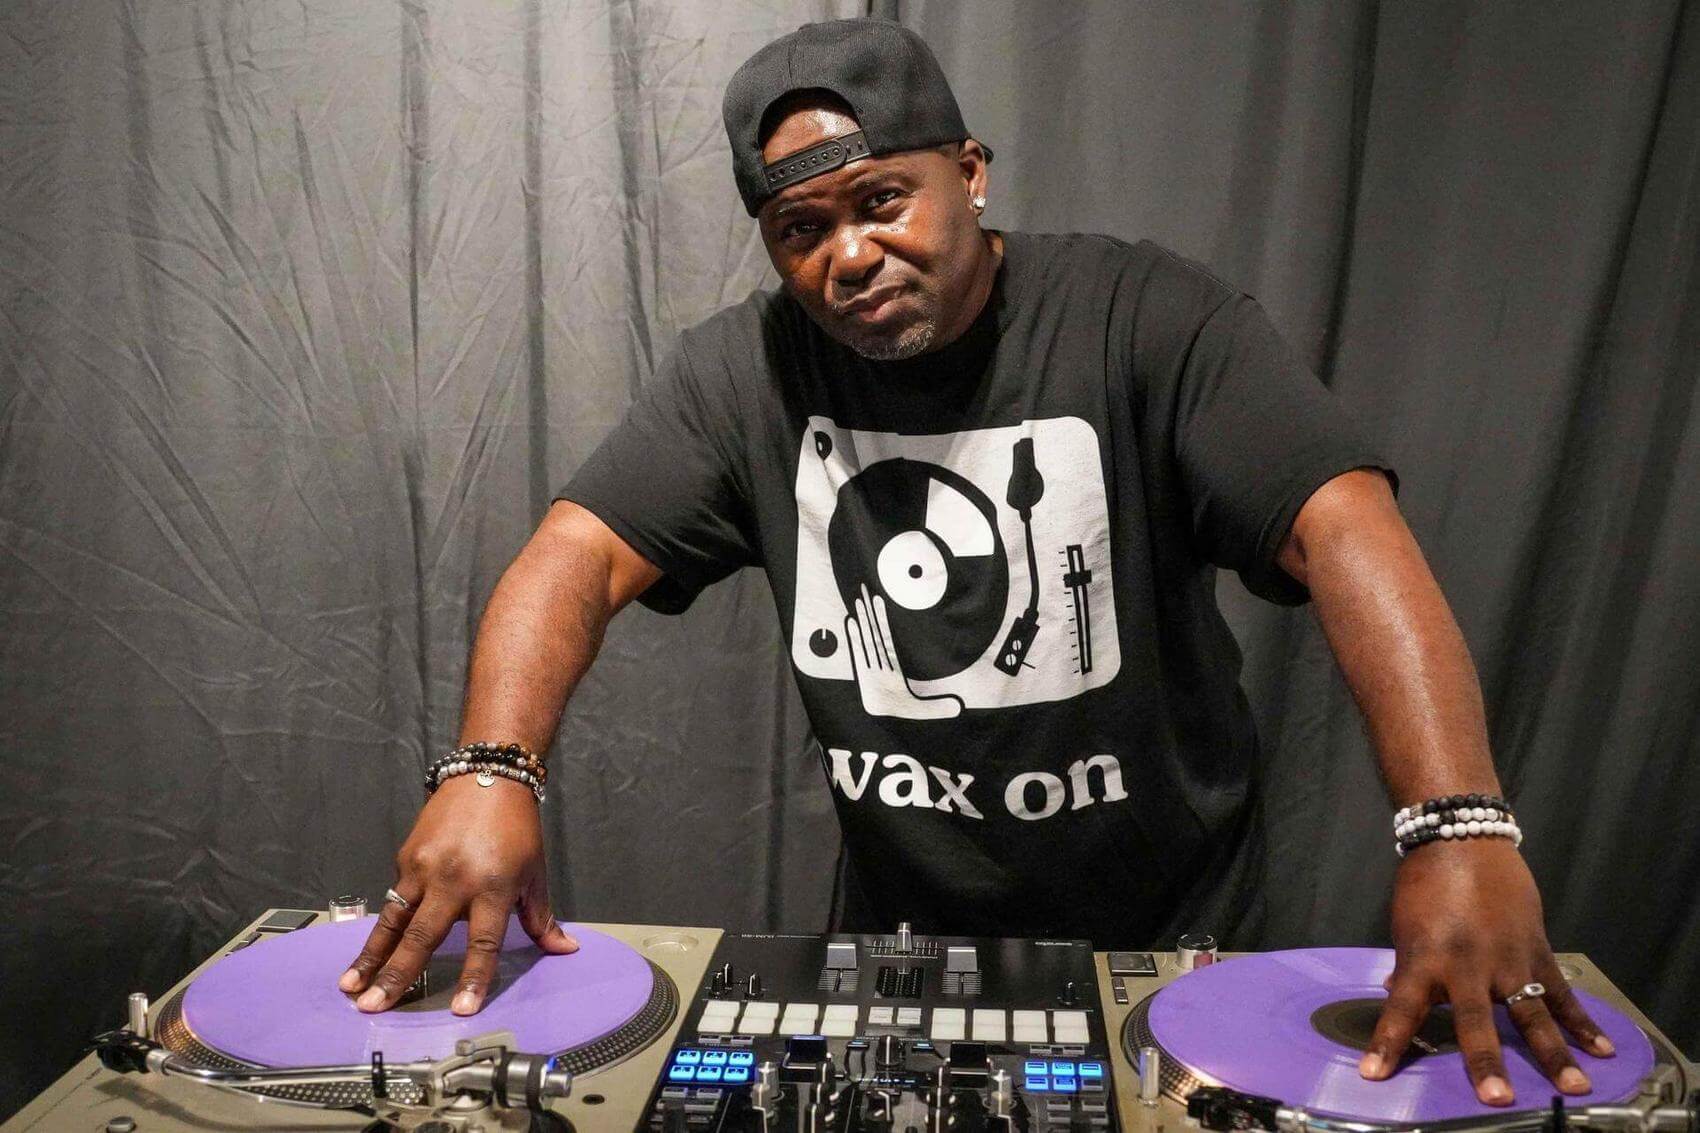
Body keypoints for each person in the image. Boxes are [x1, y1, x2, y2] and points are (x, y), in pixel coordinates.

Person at [337, 18, 1614, 1108]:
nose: (844, 256)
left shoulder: (1146, 319)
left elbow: (1342, 526)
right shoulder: (744, 370)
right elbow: (571, 555)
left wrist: (1455, 822)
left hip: (1171, 947)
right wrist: (489, 768)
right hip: (898, 951)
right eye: (799, 229)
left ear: (969, 172)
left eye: (881, 201)